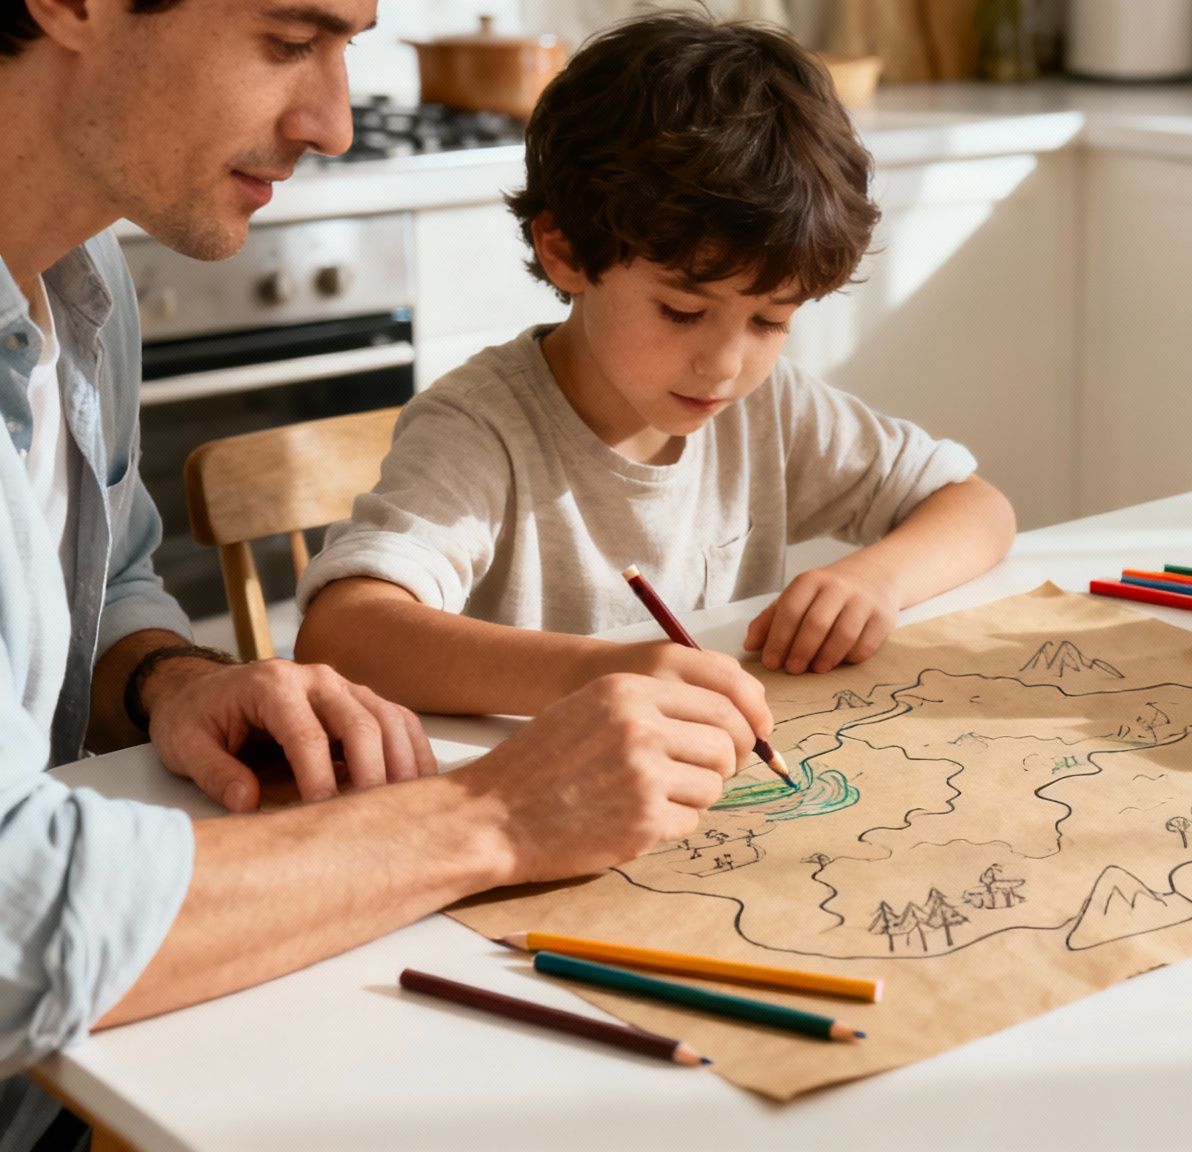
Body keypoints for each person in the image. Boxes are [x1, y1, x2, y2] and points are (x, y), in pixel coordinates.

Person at [0, 0, 769, 1134]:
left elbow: (109, 582)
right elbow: (19, 927)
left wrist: (171, 679)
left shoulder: (83, 280)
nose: (335, 124)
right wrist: (498, 813)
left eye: (347, 48)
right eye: (289, 41)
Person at [292, 10, 1016, 721]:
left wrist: (876, 580)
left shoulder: (769, 409)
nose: (725, 365)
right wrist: (596, 673)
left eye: (770, 321)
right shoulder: (481, 432)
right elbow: (343, 635)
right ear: (566, 252)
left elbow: (977, 508)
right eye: (682, 311)